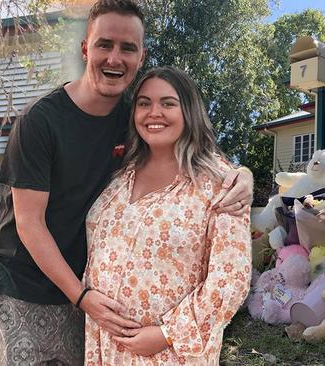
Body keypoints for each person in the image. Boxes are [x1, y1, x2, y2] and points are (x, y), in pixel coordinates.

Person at [0, 1, 253, 365]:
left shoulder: (137, 116)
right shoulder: (39, 122)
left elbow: (191, 148)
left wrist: (242, 175)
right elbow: (29, 223)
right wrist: (81, 297)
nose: (115, 58)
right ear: (85, 49)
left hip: (92, 299)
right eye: (104, 44)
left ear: (141, 56)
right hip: (27, 284)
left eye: (127, 48)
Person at [83, 66, 252, 365]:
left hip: (168, 353)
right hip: (104, 346)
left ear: (189, 111)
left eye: (168, 103)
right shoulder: (120, 177)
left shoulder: (219, 182)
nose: (154, 112)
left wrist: (167, 333)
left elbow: (230, 280)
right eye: (144, 103)